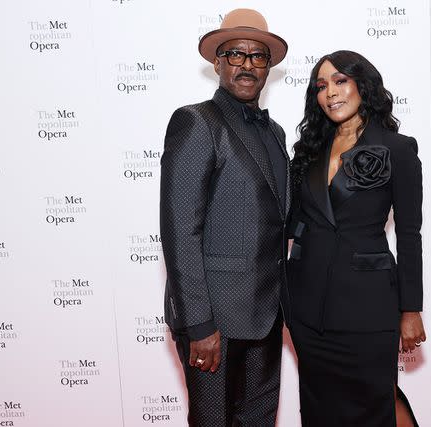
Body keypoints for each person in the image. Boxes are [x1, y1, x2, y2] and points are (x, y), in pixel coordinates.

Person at [159, 9, 291, 426]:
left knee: (258, 420)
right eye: (235, 54)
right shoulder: (196, 122)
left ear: (268, 67)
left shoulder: (276, 133)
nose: (247, 65)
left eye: (258, 57)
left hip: (268, 315)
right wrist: (199, 323)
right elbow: (180, 229)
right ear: (217, 62)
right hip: (215, 320)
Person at [288, 50, 426, 427]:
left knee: (374, 406)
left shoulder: (398, 150)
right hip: (307, 309)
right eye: (320, 86)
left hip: (368, 307)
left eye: (339, 81)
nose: (329, 92)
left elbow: (410, 234)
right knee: (320, 411)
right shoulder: (310, 151)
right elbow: (293, 222)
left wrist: (410, 309)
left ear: (362, 85)